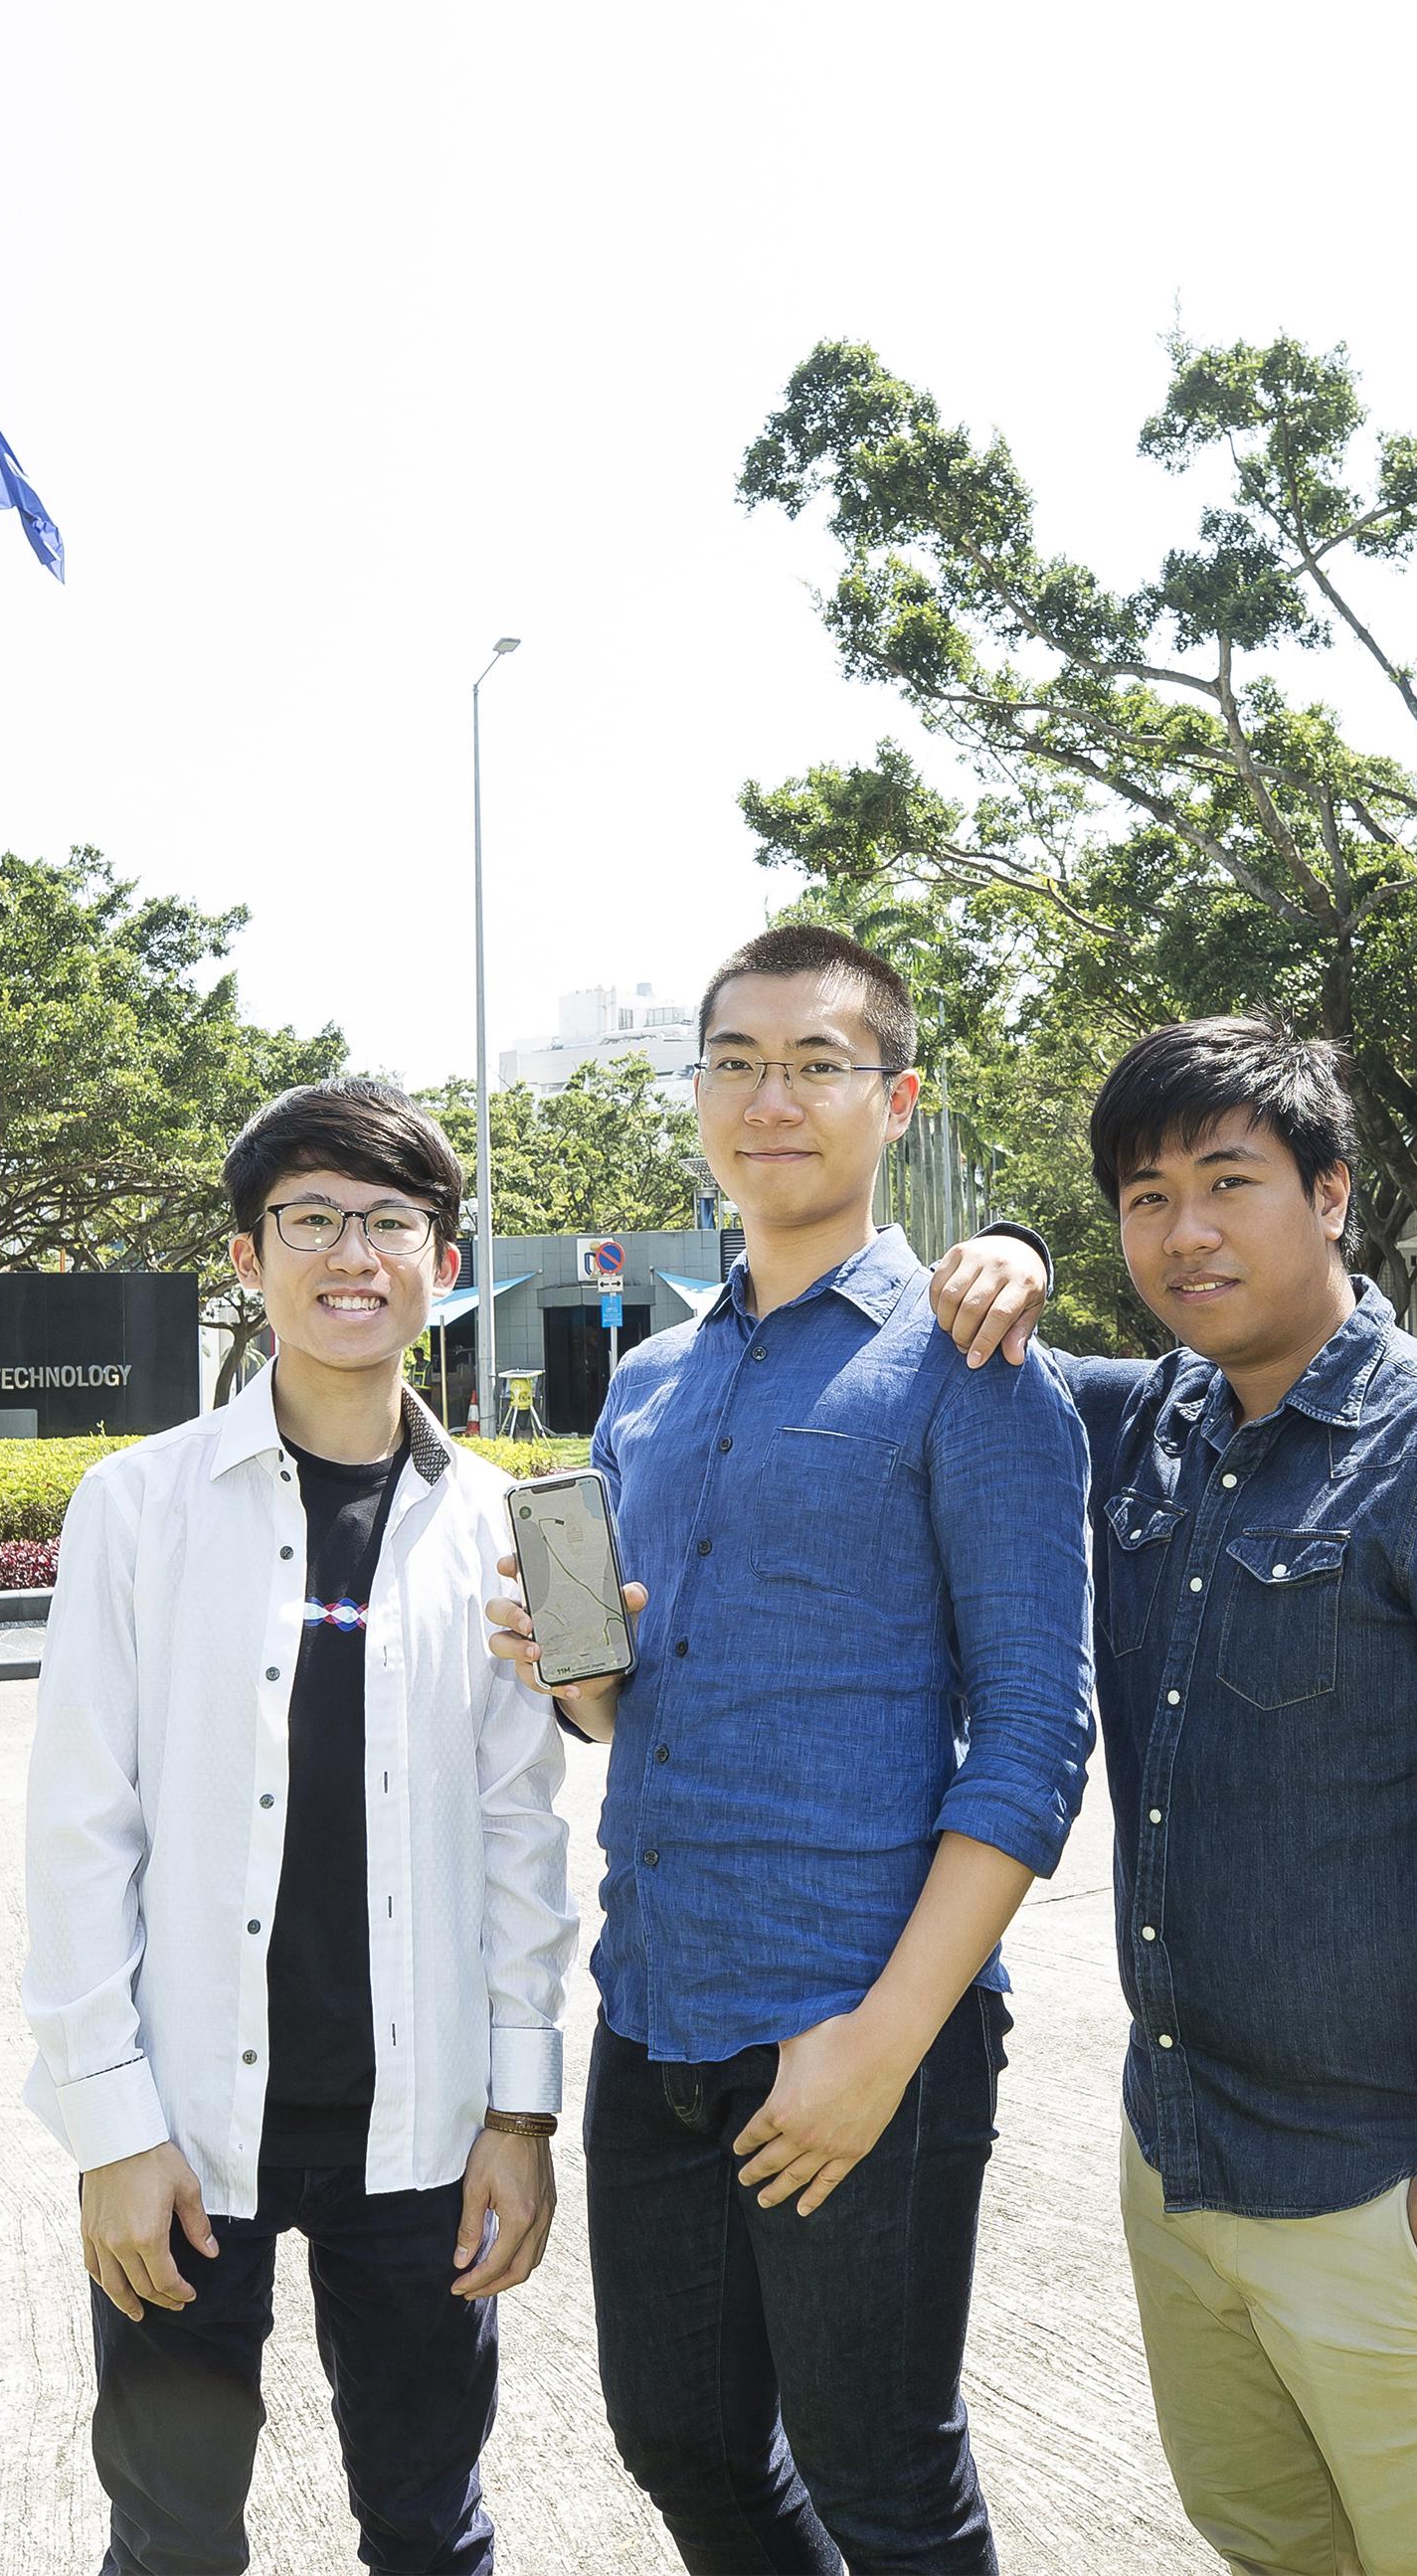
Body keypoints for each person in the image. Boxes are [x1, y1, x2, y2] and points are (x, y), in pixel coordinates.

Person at [926, 1019, 1417, 2576]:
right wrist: (1003, 1241)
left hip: (1399, 2190)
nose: (1184, 1231)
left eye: (1228, 1180)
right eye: (1142, 1195)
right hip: (1185, 2163)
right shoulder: (1153, 1425)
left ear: (1331, 1194)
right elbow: (983, 1351)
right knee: (1265, 2540)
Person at [483, 925, 1095, 2576]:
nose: (772, 1097)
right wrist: (570, 1670)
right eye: (736, 1061)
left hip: (854, 2020)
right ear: (694, 1095)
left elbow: (1038, 1736)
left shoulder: (975, 1366)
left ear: (894, 1100)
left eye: (816, 1063)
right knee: (676, 2437)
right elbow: (628, 1715)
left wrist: (886, 2046)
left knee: (884, 2477)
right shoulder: (650, 1388)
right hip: (659, 2011)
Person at [25, 1078, 578, 2576]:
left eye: (390, 1220)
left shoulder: (521, 1521)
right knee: (174, 2532)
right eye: (312, 1219)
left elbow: (526, 1837)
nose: (353, 1253)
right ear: (247, 1255)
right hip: (189, 2132)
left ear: (445, 1260)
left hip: (426, 2129)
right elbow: (82, 1828)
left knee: (429, 2522)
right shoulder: (139, 1505)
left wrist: (522, 2115)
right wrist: (109, 2126)